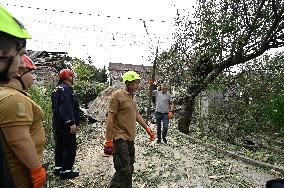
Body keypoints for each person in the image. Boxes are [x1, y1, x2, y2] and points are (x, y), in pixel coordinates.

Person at [0, 5, 46, 188]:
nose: (33, 77)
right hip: (19, 176)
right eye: (19, 55)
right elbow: (19, 139)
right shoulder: (13, 99)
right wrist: (36, 168)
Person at [104, 70, 156, 188]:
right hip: (119, 137)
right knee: (123, 170)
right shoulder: (117, 96)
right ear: (128, 83)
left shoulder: (133, 97)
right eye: (136, 83)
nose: (138, 85)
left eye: (138, 82)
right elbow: (110, 118)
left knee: (130, 166)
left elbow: (137, 115)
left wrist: (147, 129)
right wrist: (108, 141)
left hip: (129, 137)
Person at [51, 68, 80, 179]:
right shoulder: (67, 90)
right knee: (69, 147)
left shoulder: (56, 89)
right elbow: (66, 107)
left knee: (59, 146)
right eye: (73, 76)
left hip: (58, 125)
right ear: (68, 77)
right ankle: (66, 171)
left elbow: (55, 108)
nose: (74, 78)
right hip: (65, 126)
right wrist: (71, 122)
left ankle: (58, 168)